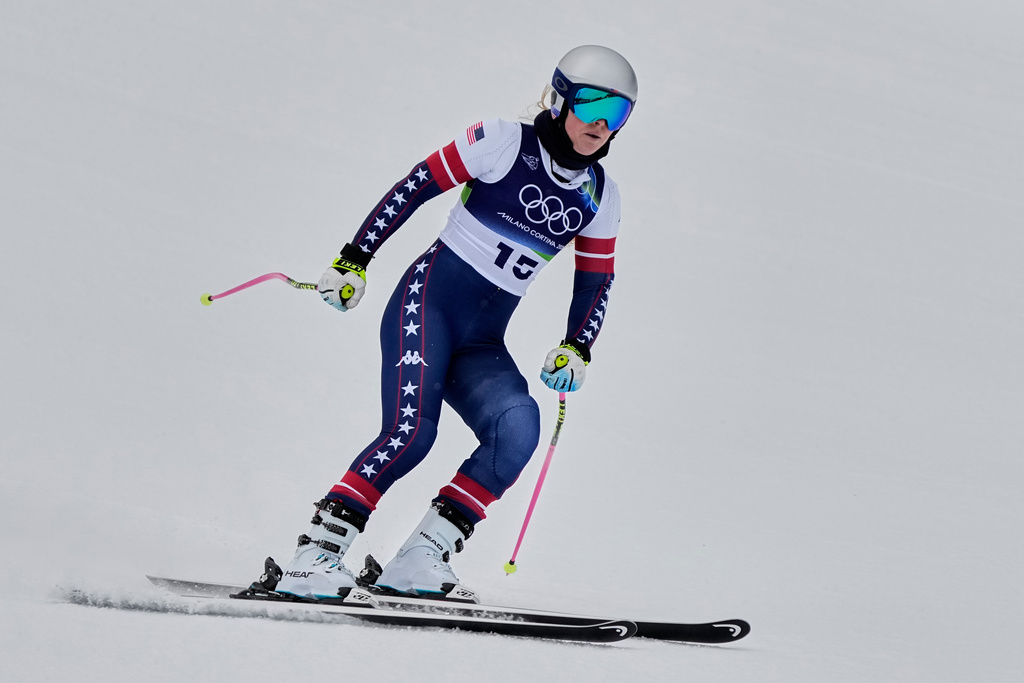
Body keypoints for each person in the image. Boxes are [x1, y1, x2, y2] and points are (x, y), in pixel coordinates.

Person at [269, 45, 638, 601]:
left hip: (481, 342)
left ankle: (419, 559)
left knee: (517, 428)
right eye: (591, 105)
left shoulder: (600, 195)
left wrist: (577, 347)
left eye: (618, 115)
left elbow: (595, 282)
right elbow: (414, 187)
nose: (600, 125)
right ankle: (313, 556)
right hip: (427, 307)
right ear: (560, 98)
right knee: (412, 434)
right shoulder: (502, 140)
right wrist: (354, 259)